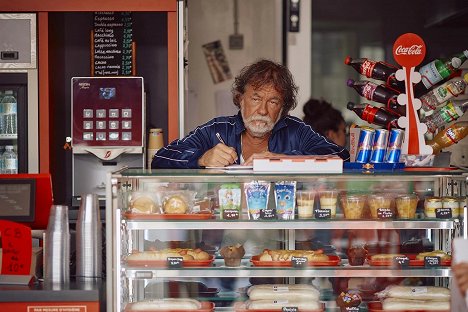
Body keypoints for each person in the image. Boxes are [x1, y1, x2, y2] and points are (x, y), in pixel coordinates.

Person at [152, 59, 349, 169]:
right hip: (222, 236)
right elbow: (161, 158)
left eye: (273, 102)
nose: (262, 110)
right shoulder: (216, 130)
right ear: (240, 99)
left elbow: (341, 156)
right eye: (255, 99)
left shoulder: (297, 131)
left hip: (284, 236)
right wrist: (202, 158)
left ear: (282, 108)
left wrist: (279, 160)